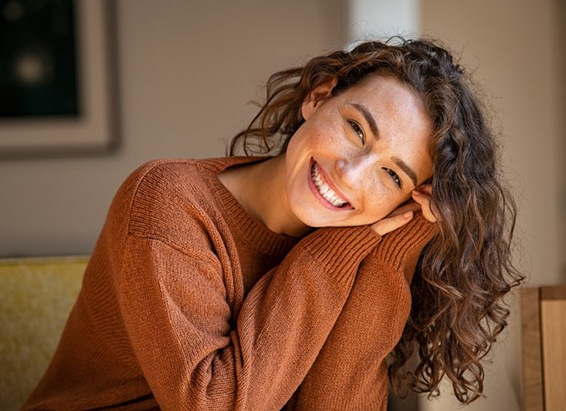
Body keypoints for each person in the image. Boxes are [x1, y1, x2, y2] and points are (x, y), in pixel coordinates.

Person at [23, 37, 521, 410]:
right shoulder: (169, 201)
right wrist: (335, 251)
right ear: (318, 97)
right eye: (354, 128)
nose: (349, 175)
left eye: (392, 174)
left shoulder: (359, 241)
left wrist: (395, 246)